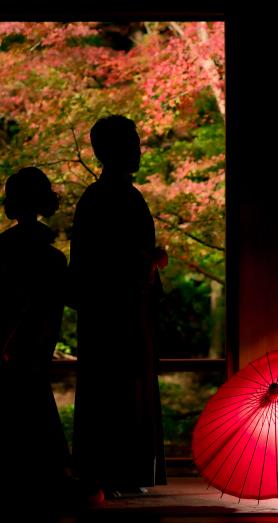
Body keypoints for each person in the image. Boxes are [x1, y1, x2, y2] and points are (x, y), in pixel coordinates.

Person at [0, 167, 102, 508]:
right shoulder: (50, 258)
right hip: (28, 350)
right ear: (46, 201)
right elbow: (66, 301)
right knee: (30, 413)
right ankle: (41, 481)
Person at [66, 115, 168, 498]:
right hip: (115, 308)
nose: (138, 150)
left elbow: (95, 259)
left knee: (115, 387)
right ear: (110, 151)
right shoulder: (111, 197)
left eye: (137, 142)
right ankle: (117, 471)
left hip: (112, 306)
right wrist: (148, 264)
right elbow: (106, 259)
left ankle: (117, 470)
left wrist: (146, 266)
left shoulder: (104, 196)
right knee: (119, 386)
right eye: (131, 144)